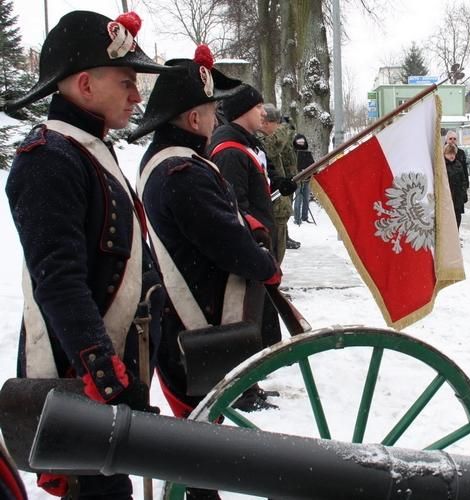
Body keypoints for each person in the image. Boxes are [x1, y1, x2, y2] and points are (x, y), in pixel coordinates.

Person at [3, 10, 173, 498]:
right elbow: (57, 279)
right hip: (82, 383)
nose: (137, 96)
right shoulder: (48, 159)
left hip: (114, 376)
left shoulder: (86, 149)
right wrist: (100, 370)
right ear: (84, 84)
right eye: (126, 82)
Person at [129, 46, 278, 423]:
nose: (217, 118)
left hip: (188, 315)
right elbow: (226, 241)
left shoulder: (171, 162)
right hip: (196, 319)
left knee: (200, 429)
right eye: (212, 111)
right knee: (199, 429)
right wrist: (265, 264)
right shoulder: (183, 172)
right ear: (194, 118)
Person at [208, 84, 297, 349]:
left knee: (259, 321)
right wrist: (254, 249)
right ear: (243, 111)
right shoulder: (230, 151)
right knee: (247, 324)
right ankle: (249, 382)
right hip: (250, 247)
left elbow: (256, 186)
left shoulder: (246, 145)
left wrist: (278, 183)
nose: (263, 112)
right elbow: (236, 207)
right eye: (257, 106)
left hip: (257, 244)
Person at [259, 103, 301, 260]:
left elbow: (287, 159)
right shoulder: (258, 138)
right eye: (277, 125)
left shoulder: (272, 138)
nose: (279, 129)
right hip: (270, 205)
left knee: (278, 252)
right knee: (272, 254)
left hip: (279, 204)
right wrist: (285, 128)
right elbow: (271, 147)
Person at [444, 143, 468, 228]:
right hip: (447, 198)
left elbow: (463, 180)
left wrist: (463, 193)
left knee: (457, 219)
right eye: (449, 153)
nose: (451, 156)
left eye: (453, 154)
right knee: (447, 221)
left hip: (457, 198)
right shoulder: (443, 166)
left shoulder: (458, 164)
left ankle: (456, 237)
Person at [293, 133, 314, 225]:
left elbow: (312, 164)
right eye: (299, 142)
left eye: (302, 142)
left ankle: (304, 217)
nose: (301, 144)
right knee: (298, 198)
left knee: (306, 198)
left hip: (307, 178)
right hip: (297, 179)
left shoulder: (307, 153)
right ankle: (297, 219)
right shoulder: (293, 153)